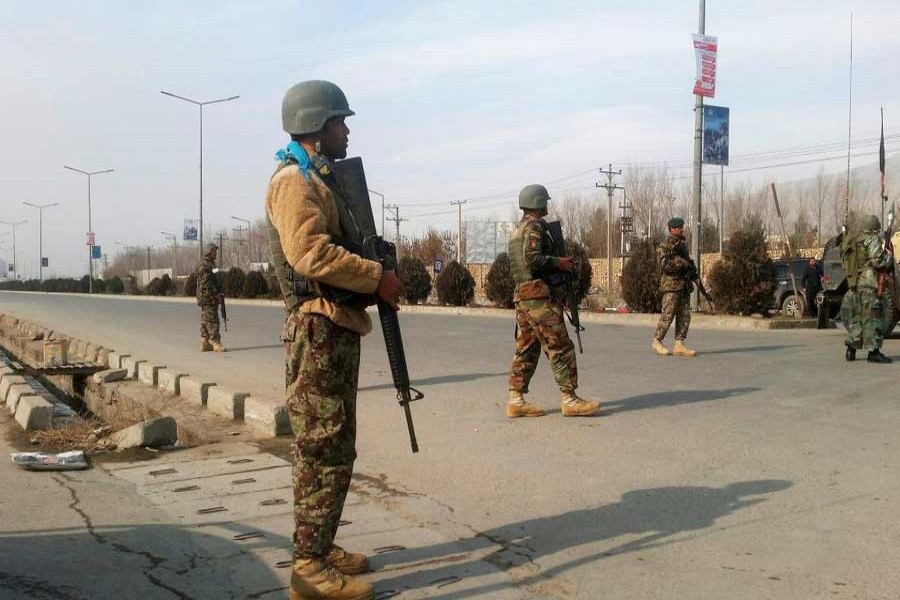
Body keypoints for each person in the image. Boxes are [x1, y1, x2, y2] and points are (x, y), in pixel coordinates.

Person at [266, 80, 402, 600]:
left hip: (335, 326)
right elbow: (309, 255)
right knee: (321, 448)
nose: (346, 130)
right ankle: (308, 566)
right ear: (317, 126)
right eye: (340, 121)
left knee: (338, 445)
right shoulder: (293, 181)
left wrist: (376, 264)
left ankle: (319, 547)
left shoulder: (317, 177)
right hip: (316, 329)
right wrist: (374, 276)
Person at [505, 183, 600, 418]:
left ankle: (516, 400)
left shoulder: (517, 231)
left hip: (523, 297)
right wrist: (560, 263)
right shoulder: (535, 226)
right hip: (537, 298)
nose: (547, 205)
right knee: (560, 345)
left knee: (527, 347)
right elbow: (534, 259)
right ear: (538, 203)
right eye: (544, 201)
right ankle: (570, 399)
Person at [841, 214, 893, 363]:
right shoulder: (872, 239)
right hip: (869, 283)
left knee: (858, 318)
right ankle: (874, 352)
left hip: (855, 284)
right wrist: (888, 257)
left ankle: (851, 349)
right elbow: (878, 260)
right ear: (874, 228)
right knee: (873, 318)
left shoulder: (856, 240)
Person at [652, 217, 698, 357]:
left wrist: (694, 275)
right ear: (672, 229)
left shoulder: (682, 245)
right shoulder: (664, 246)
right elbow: (665, 265)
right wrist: (681, 263)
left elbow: (689, 263)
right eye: (679, 227)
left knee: (684, 316)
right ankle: (657, 341)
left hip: (683, 285)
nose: (682, 229)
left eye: (682, 227)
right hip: (671, 286)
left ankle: (679, 344)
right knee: (668, 314)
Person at [195, 243, 225, 353]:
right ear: (209, 251)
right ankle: (216, 342)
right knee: (213, 320)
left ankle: (205, 342)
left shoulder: (211, 264)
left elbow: (217, 277)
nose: (216, 253)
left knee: (205, 319)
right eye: (214, 251)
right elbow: (205, 283)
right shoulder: (205, 265)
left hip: (206, 296)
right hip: (208, 296)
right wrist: (215, 293)